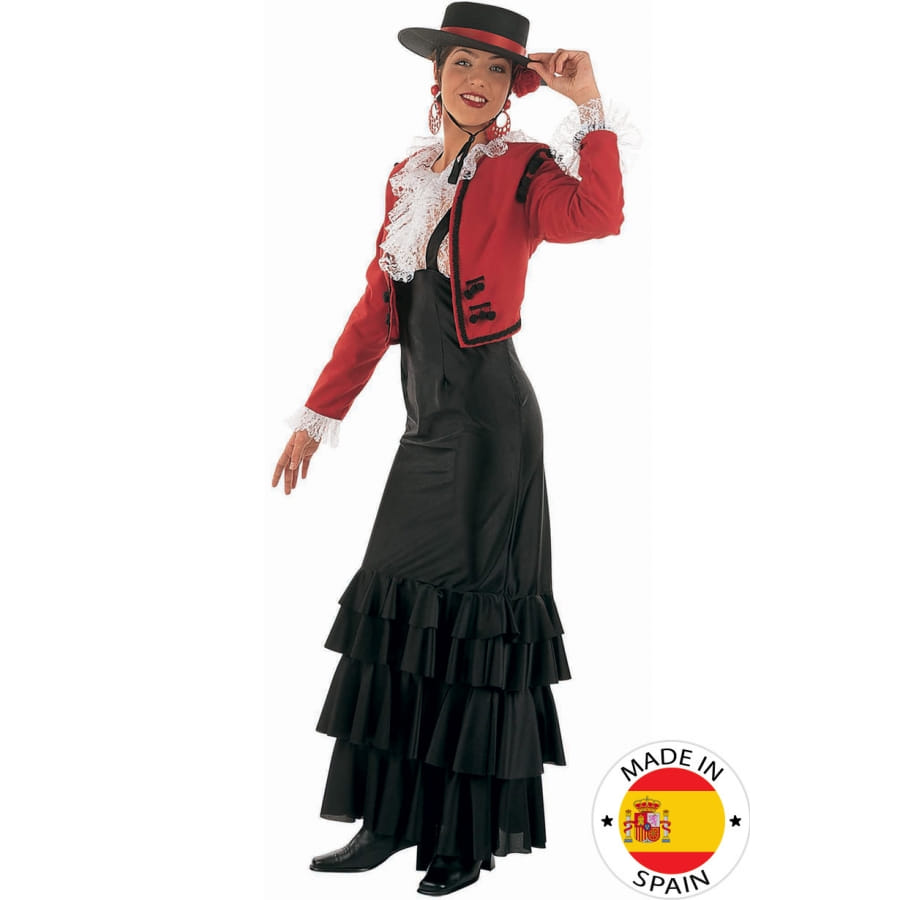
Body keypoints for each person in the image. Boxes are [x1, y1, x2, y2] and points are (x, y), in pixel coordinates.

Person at [271, 3, 637, 895]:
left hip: (490, 431)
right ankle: (388, 820)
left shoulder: (523, 169)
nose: (476, 80)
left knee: (470, 627)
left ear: (514, 88)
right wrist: (316, 414)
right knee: (398, 618)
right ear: (436, 75)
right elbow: (376, 311)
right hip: (424, 431)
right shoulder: (407, 177)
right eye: (463, 62)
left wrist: (589, 105)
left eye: (496, 69)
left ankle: (458, 840)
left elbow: (599, 214)